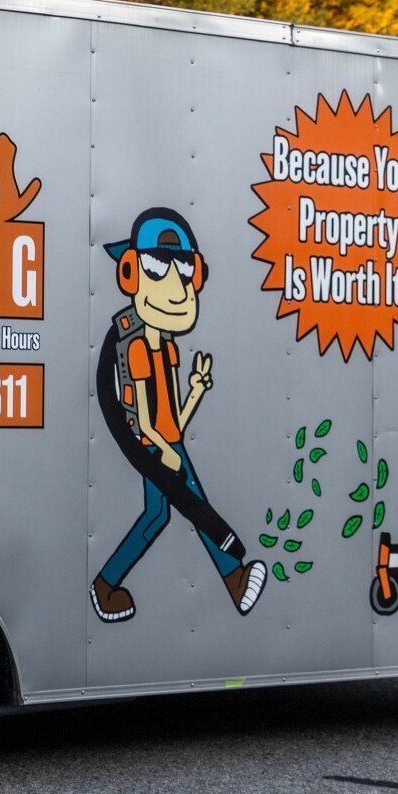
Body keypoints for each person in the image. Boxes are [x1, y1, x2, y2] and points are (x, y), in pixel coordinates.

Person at [90, 208, 266, 623]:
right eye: (156, 267)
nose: (176, 287)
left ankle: (107, 584)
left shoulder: (167, 348)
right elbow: (142, 416)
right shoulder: (134, 347)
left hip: (169, 443)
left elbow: (173, 416)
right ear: (131, 275)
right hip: (156, 446)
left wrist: (196, 392)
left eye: (186, 272)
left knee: (159, 514)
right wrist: (162, 451)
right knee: (188, 507)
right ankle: (233, 577)